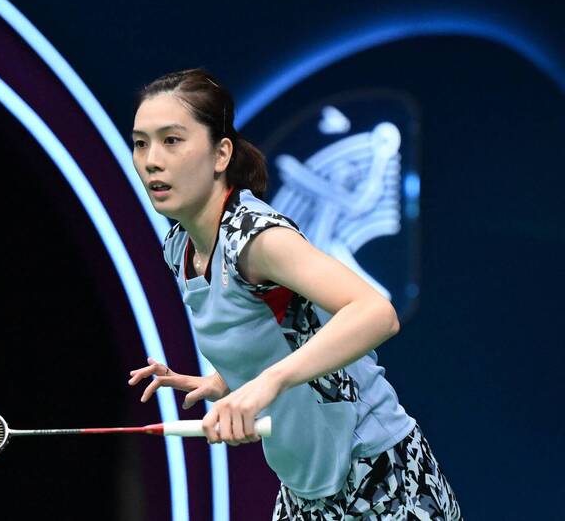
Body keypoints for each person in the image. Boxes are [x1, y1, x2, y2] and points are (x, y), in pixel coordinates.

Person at [126, 68, 462, 520]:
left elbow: (376, 312)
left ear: (221, 153)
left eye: (172, 140)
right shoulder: (180, 246)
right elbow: (280, 329)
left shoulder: (256, 238)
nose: (151, 160)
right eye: (140, 143)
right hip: (306, 489)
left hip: (380, 476)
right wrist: (226, 380)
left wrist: (265, 384)